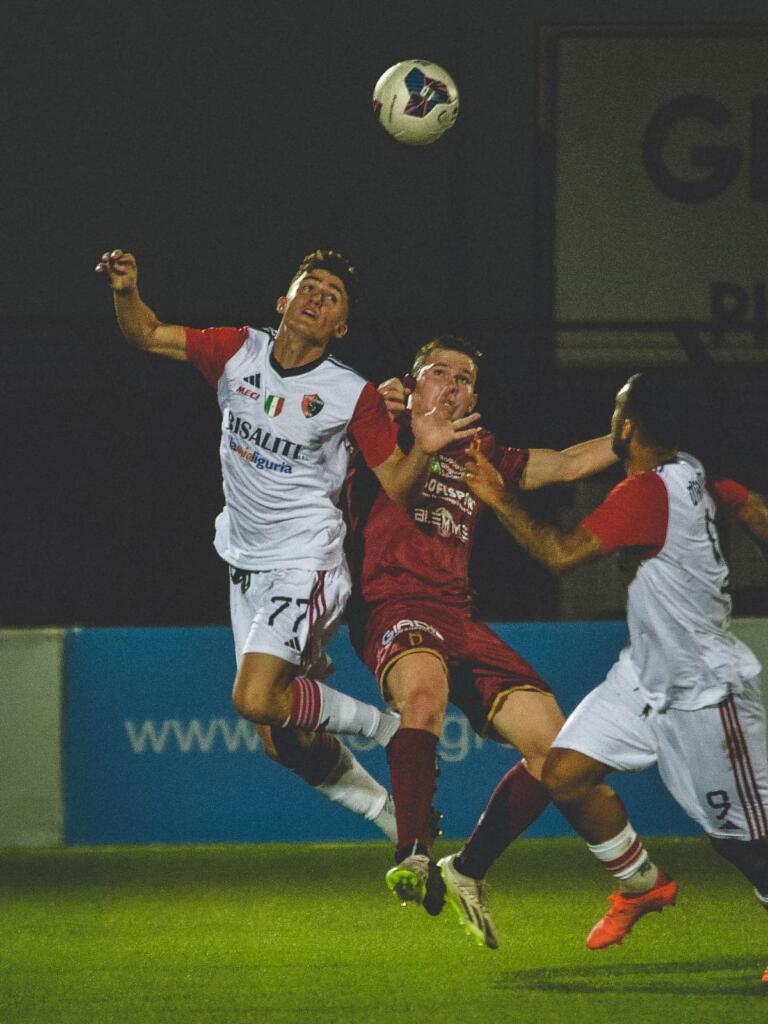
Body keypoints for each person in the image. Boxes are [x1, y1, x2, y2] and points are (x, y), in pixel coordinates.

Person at [95, 248, 479, 840]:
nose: (318, 296)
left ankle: (385, 731)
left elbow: (399, 486)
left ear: (340, 327)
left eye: (333, 296)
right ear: (284, 301)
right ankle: (393, 816)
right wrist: (126, 290)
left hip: (305, 559)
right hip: (244, 560)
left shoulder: (351, 393)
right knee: (282, 742)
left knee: (255, 697)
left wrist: (424, 445)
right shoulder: (235, 351)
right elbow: (146, 333)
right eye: (310, 286)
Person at [464, 370, 768, 978]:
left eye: (616, 409)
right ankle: (639, 884)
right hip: (643, 677)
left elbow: (559, 555)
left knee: (740, 839)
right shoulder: (699, 475)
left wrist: (497, 496)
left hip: (702, 691)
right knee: (565, 773)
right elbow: (754, 510)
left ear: (627, 427)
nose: (612, 418)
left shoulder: (646, 492)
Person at [340, 335, 619, 932]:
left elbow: (566, 463)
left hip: (459, 617)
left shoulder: (479, 449)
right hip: (391, 604)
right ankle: (412, 850)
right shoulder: (373, 427)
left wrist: (639, 437)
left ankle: (468, 867)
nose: (455, 383)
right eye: (439, 372)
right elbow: (378, 478)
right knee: (423, 694)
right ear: (411, 385)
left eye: (466, 378)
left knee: (556, 749)